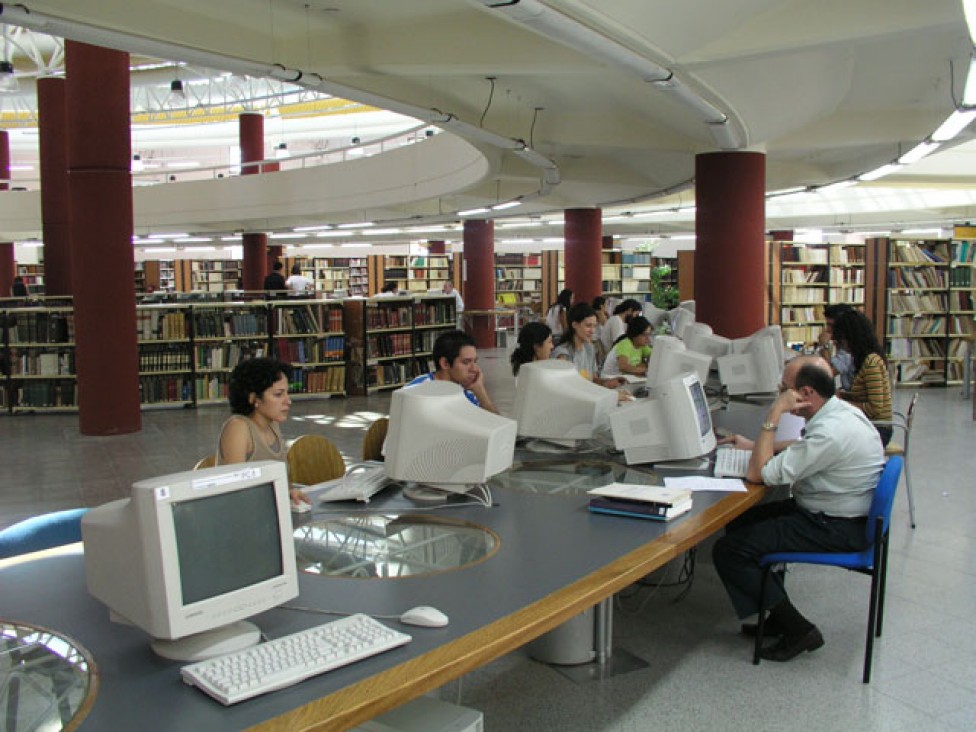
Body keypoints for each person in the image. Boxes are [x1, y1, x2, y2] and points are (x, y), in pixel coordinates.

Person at [712, 356, 884, 662]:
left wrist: (774, 414)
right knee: (742, 520)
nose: (780, 392)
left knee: (728, 550)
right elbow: (802, 447)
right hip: (839, 512)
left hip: (836, 526)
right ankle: (776, 610)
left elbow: (759, 474)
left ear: (805, 394)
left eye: (784, 389)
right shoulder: (840, 412)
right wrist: (757, 446)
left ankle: (798, 628)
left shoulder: (830, 432)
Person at [216, 357, 309, 507]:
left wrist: (289, 491)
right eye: (278, 394)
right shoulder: (238, 428)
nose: (288, 401)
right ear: (254, 398)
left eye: (287, 393)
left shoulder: (273, 425)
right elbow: (233, 492)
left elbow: (279, 480)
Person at [831, 309, 893, 445]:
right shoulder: (863, 359)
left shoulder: (871, 362)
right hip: (870, 425)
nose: (840, 346)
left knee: (828, 438)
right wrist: (841, 396)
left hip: (878, 429)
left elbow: (875, 408)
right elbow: (863, 396)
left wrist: (841, 403)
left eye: (840, 341)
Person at [404, 329, 499, 413]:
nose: (474, 369)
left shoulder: (467, 394)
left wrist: (480, 391)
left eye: (475, 361)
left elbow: (497, 425)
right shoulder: (415, 391)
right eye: (466, 362)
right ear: (445, 363)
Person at [552, 302, 625, 388]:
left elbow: (593, 379)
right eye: (588, 326)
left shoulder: (589, 349)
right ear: (574, 325)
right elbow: (566, 388)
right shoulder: (563, 354)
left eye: (594, 326)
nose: (592, 331)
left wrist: (608, 382)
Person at [818, 303, 856, 389]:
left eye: (831, 325)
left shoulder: (849, 349)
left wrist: (824, 346)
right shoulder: (844, 343)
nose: (827, 329)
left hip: (852, 398)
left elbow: (827, 375)